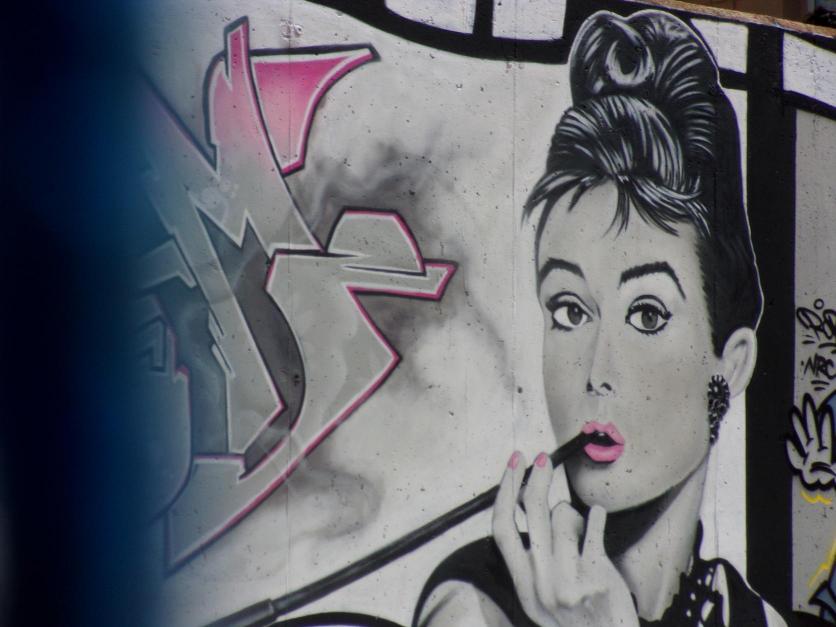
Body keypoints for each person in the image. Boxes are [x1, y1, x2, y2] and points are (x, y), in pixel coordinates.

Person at [414, 9, 794, 627]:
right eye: (569, 310)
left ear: (731, 364)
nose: (597, 371)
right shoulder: (478, 608)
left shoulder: (753, 618)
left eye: (646, 314)